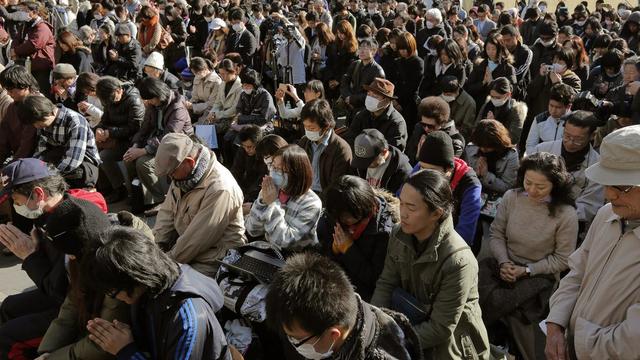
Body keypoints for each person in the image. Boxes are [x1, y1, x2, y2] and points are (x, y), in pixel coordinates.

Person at [371, 169, 489, 359]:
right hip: (409, 323)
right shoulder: (398, 234)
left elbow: (441, 328)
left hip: (450, 343)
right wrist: (375, 324)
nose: (403, 213)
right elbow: (386, 283)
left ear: (436, 213)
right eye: (401, 203)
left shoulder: (459, 260)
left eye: (412, 207)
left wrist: (392, 339)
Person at [545, 125, 640, 360]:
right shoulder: (606, 214)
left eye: (622, 186)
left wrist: (581, 342)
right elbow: (577, 273)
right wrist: (555, 324)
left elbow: (633, 339)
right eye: (606, 183)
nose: (609, 194)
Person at [0, 158, 108, 359]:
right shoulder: (47, 215)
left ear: (38, 193)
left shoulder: (70, 225)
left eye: (16, 200)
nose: (16, 206)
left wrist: (30, 257)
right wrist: (35, 251)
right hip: (65, 295)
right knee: (8, 307)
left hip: (82, 307)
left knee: (7, 338)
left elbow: (61, 290)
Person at [483, 152, 577, 360]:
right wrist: (504, 261)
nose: (532, 190)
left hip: (538, 276)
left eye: (541, 187)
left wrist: (527, 270)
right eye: (528, 183)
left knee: (507, 306)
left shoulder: (566, 214)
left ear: (555, 185)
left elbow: (562, 259)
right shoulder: (512, 197)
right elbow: (497, 233)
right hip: (504, 264)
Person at [86, 226, 231, 360]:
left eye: (113, 292)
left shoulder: (187, 318)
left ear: (134, 277)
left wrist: (127, 351)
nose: (115, 298)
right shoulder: (151, 286)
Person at [266, 252, 421, 360]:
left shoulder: (380, 353)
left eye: (297, 341)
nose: (294, 345)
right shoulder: (349, 315)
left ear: (334, 334)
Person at [33, 196, 129, 360]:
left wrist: (54, 357)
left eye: (70, 254)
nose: (69, 259)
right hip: (90, 334)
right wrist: (47, 350)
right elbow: (72, 303)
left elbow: (103, 342)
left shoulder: (118, 267)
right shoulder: (85, 257)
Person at [153, 133, 246, 277]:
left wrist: (164, 264)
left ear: (190, 162)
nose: (170, 178)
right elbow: (166, 214)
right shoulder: (183, 175)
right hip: (188, 250)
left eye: (171, 173)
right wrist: (156, 247)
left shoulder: (220, 188)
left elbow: (196, 240)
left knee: (168, 286)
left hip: (216, 259)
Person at [317, 175, 399, 301]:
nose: (344, 222)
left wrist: (349, 250)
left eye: (348, 218)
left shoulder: (383, 232)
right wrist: (334, 251)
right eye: (339, 217)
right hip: (333, 284)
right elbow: (322, 258)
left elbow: (376, 279)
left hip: (362, 294)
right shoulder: (331, 218)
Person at [126, 77, 193, 211]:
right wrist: (135, 145)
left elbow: (169, 136)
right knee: (128, 158)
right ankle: (137, 194)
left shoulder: (177, 108)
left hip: (177, 145)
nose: (148, 102)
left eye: (150, 99)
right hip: (157, 141)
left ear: (158, 95)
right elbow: (145, 127)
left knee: (143, 162)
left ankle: (160, 199)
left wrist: (144, 150)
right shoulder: (154, 105)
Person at [532, 110, 603, 233]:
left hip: (567, 225)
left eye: (578, 139)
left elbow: (590, 206)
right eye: (566, 136)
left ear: (592, 136)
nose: (570, 143)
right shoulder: (542, 150)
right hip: (533, 213)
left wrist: (556, 212)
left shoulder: (597, 166)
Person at [245, 144, 322, 251]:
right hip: (271, 251)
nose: (276, 173)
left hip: (299, 259)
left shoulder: (311, 203)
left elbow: (285, 241)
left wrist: (272, 203)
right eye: (274, 167)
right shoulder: (270, 190)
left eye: (284, 171)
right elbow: (252, 230)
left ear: (298, 174)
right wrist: (262, 202)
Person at [17, 95, 101, 189]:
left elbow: (73, 160)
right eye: (34, 124)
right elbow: (41, 151)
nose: (36, 126)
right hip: (59, 161)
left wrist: (48, 176)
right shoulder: (42, 123)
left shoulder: (75, 121)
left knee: (75, 176)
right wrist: (33, 169)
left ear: (51, 112)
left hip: (83, 165)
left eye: (38, 122)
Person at [414, 131, 482, 246]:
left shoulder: (471, 186)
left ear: (448, 170)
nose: (425, 174)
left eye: (433, 171)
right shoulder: (422, 167)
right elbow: (402, 198)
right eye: (422, 168)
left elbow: (465, 233)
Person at [94, 76, 145, 203]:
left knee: (105, 157)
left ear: (119, 90)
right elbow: (104, 120)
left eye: (113, 98)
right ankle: (108, 189)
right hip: (116, 138)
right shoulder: (109, 100)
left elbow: (135, 127)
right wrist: (99, 129)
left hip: (132, 140)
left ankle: (121, 190)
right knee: (93, 152)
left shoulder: (134, 100)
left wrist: (110, 133)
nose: (111, 102)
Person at [298, 99, 352, 195]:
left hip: (326, 199)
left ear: (326, 126)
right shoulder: (304, 142)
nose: (308, 131)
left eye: (312, 128)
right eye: (305, 127)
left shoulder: (341, 149)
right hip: (304, 193)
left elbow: (337, 187)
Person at [345, 78, 407, 152]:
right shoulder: (362, 115)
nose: (370, 98)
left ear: (386, 100)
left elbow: (394, 151)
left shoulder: (396, 122)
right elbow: (350, 138)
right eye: (369, 94)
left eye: (375, 96)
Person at [10, 1, 55, 95]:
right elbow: (17, 38)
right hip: (28, 65)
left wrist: (16, 51)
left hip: (41, 67)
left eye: (24, 11)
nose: (22, 13)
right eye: (21, 10)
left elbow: (34, 45)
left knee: (40, 92)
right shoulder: (25, 25)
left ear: (34, 12)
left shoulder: (42, 27)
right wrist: (13, 50)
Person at [527, 47, 582, 121]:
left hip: (560, 119)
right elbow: (531, 92)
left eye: (560, 61)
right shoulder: (547, 74)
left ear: (567, 64)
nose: (556, 63)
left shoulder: (574, 79)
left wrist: (558, 84)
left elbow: (573, 99)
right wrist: (540, 76)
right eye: (554, 60)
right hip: (540, 117)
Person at [350, 129, 411, 195]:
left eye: (368, 161)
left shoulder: (403, 172)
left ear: (384, 152)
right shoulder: (359, 165)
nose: (364, 165)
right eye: (360, 160)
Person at [406, 96, 465, 163]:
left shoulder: (455, 141)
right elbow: (409, 155)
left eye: (431, 126)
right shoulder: (419, 129)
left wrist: (422, 156)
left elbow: (445, 169)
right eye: (423, 124)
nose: (426, 128)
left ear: (442, 124)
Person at [0, 65, 38, 165]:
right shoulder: (13, 107)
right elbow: (3, 137)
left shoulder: (36, 107)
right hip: (17, 157)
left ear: (24, 86)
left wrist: (13, 166)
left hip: (32, 161)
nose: (8, 94)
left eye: (11, 91)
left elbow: (27, 143)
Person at [525, 83, 576, 155]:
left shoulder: (575, 122)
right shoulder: (539, 119)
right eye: (551, 105)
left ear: (568, 106)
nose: (553, 110)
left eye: (558, 107)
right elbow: (530, 147)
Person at [476, 77, 528, 145]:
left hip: (504, 149)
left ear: (508, 95)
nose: (494, 99)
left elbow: (513, 139)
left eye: (498, 97)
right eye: (492, 96)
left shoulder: (517, 110)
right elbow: (475, 127)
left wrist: (494, 125)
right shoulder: (487, 105)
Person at [340, 37, 385, 112]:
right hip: (350, 107)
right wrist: (347, 96)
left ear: (374, 51)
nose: (361, 51)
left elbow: (376, 94)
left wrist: (353, 99)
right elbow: (345, 81)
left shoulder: (378, 71)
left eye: (366, 49)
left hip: (366, 110)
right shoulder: (355, 64)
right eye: (360, 48)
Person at [391, 31, 423, 130]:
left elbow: (413, 86)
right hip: (395, 100)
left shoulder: (418, 62)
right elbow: (394, 81)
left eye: (405, 48)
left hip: (410, 102)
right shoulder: (398, 61)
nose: (403, 51)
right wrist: (394, 99)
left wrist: (399, 101)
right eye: (401, 49)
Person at [231, 125, 268, 209]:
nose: (247, 150)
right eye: (244, 146)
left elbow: (263, 178)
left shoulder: (265, 154)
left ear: (257, 143)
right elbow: (236, 171)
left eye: (250, 147)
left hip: (261, 190)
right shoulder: (242, 150)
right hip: (247, 184)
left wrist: (248, 197)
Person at [500, 25, 533, 101]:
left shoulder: (526, 52)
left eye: (508, 40)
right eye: (503, 41)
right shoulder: (502, 50)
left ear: (516, 37)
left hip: (519, 91)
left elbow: (519, 74)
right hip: (501, 89)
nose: (506, 43)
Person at [185, 57, 222, 123]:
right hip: (198, 106)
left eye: (197, 73)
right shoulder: (197, 77)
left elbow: (212, 104)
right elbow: (194, 97)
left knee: (202, 123)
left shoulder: (216, 81)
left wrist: (193, 107)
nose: (196, 75)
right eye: (194, 73)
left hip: (210, 110)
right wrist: (189, 104)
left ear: (204, 69)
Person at [439, 75, 477, 140]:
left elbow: (467, 129)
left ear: (457, 91)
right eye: (444, 94)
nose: (445, 96)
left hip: (457, 137)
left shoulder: (469, 103)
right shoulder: (441, 98)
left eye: (449, 95)